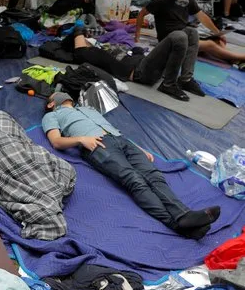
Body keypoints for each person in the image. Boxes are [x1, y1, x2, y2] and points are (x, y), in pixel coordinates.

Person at [42, 92, 220, 239]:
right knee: (134, 179)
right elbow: (56, 141)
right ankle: (177, 224)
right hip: (97, 145)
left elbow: (112, 128)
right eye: (55, 94)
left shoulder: (87, 108)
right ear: (51, 104)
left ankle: (184, 215)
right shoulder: (52, 115)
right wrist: (81, 139)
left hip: (121, 140)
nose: (61, 93)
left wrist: (138, 147)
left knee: (154, 175)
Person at [135, 0, 223, 101]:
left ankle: (186, 79)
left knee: (192, 32)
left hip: (180, 39)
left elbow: (202, 16)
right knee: (181, 36)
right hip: (168, 42)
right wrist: (137, 36)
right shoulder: (162, 0)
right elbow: (141, 14)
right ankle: (168, 84)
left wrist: (217, 32)